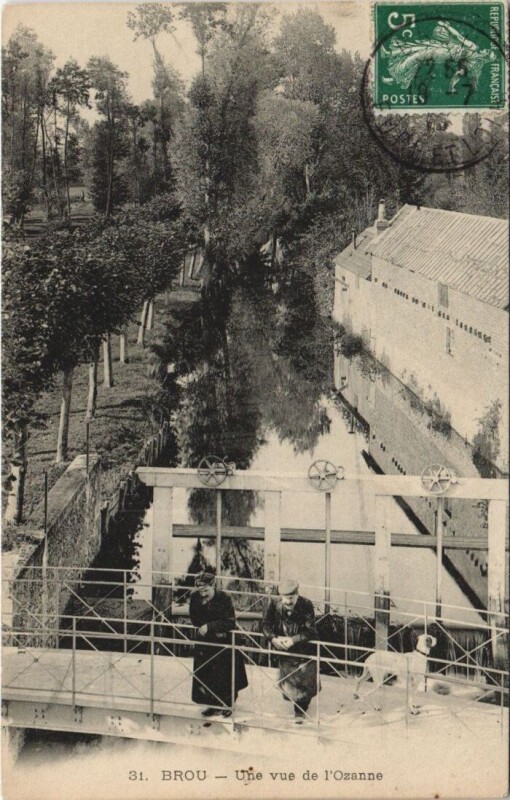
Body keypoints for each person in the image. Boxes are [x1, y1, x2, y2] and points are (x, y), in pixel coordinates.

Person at [189, 570, 248, 718]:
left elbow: (230, 622)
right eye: (200, 590)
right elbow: (195, 620)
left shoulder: (224, 598)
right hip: (205, 642)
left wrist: (210, 626)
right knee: (206, 673)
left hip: (224, 641)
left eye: (206, 590)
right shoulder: (195, 597)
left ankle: (227, 704)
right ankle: (211, 704)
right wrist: (203, 607)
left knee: (225, 674)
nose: (203, 594)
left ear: (213, 585)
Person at [262, 578, 319, 723]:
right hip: (284, 649)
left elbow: (310, 631)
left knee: (305, 681)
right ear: (281, 597)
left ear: (297, 595)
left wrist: (293, 640)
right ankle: (297, 704)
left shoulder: (306, 604)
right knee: (290, 683)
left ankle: (300, 710)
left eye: (291, 599)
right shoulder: (274, 604)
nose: (288, 602)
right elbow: (266, 624)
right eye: (286, 599)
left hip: (304, 649)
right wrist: (273, 639)